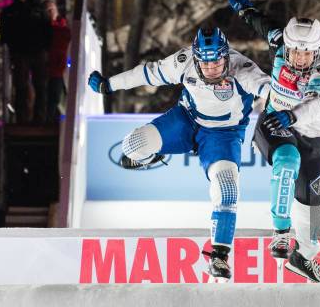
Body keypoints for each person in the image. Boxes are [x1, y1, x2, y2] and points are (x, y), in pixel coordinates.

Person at [88, 27, 270, 282]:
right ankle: (151, 156)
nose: (212, 69)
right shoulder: (184, 61)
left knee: (228, 190)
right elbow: (148, 73)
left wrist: (304, 107)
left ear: (226, 56)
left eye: (217, 62)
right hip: (187, 119)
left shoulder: (243, 68)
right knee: (131, 146)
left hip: (223, 134)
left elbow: (271, 91)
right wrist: (110, 84)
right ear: (195, 59)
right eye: (205, 64)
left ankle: (219, 255)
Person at [229, 0, 320, 283]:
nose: (300, 59)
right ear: (287, 46)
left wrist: (295, 115)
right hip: (277, 123)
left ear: (316, 52)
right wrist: (244, 9)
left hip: (311, 133)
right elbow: (263, 24)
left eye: (307, 54)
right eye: (295, 53)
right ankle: (280, 231)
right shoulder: (281, 43)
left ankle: (303, 258)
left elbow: (314, 102)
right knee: (287, 160)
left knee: (312, 204)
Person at [0, 0, 52, 124]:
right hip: (20, 53)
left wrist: (46, 47)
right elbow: (4, 34)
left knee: (40, 86)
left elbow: (48, 29)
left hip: (38, 51)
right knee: (21, 87)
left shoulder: (37, 9)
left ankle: (40, 119)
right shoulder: (8, 12)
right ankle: (21, 119)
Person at [43, 0, 71, 123]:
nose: (51, 12)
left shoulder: (64, 29)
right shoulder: (41, 30)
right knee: (47, 100)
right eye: (48, 10)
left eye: (52, 9)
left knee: (56, 99)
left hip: (61, 70)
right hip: (45, 69)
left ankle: (56, 122)